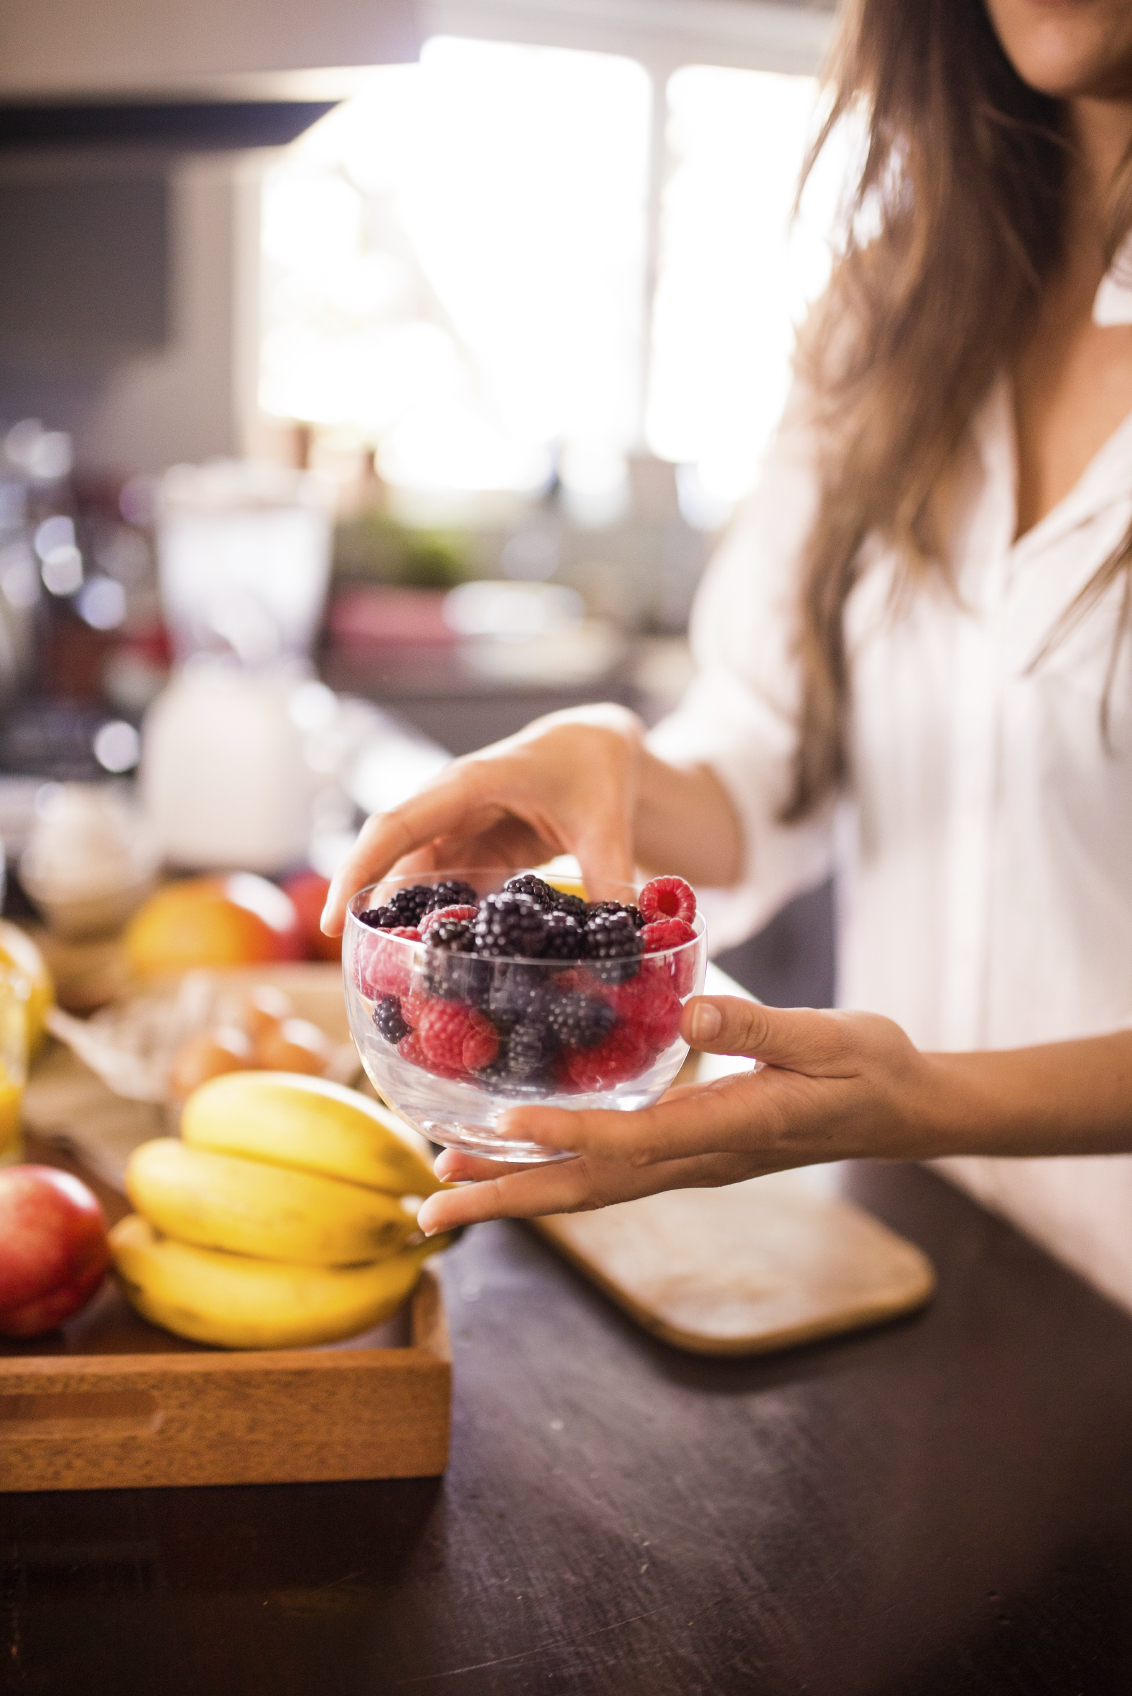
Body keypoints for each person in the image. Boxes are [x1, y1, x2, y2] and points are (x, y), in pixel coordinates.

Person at [322, 0, 1132, 1273]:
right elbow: (772, 754)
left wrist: (929, 1101)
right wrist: (611, 766)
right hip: (917, 1269)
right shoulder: (893, 314)